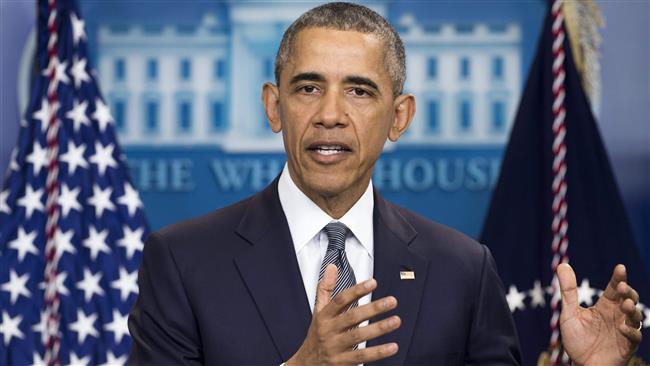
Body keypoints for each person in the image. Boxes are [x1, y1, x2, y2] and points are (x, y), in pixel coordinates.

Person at [127, 3, 642, 365]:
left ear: (399, 116)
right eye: (308, 87)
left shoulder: (462, 268)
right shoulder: (183, 261)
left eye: (359, 90)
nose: (330, 114)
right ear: (273, 106)